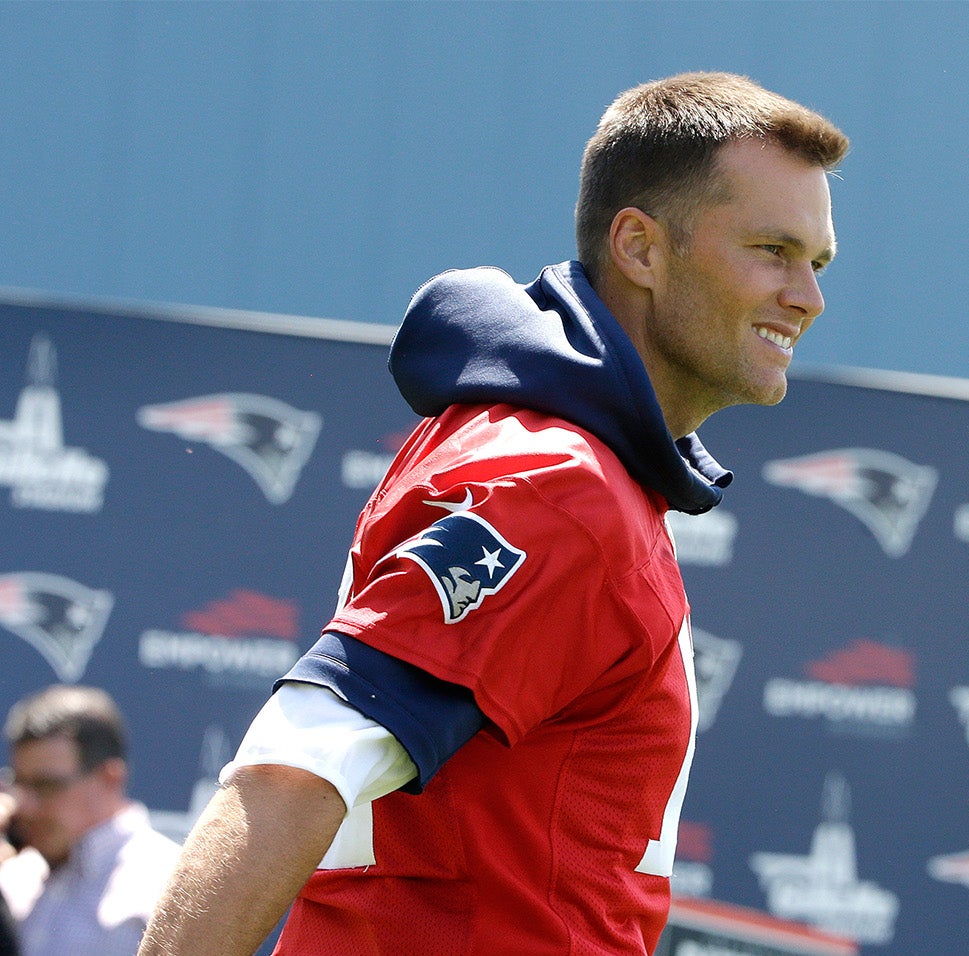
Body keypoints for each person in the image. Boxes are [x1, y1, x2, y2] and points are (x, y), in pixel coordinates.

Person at [139, 71, 848, 956]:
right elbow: (299, 761)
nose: (808, 296)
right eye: (772, 250)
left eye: (815, 263)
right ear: (640, 248)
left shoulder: (546, 457)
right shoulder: (561, 488)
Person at [0, 685, 181, 956]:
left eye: (46, 786)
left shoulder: (169, 883)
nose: (25, 805)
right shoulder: (13, 874)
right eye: (20, 784)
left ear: (110, 778)